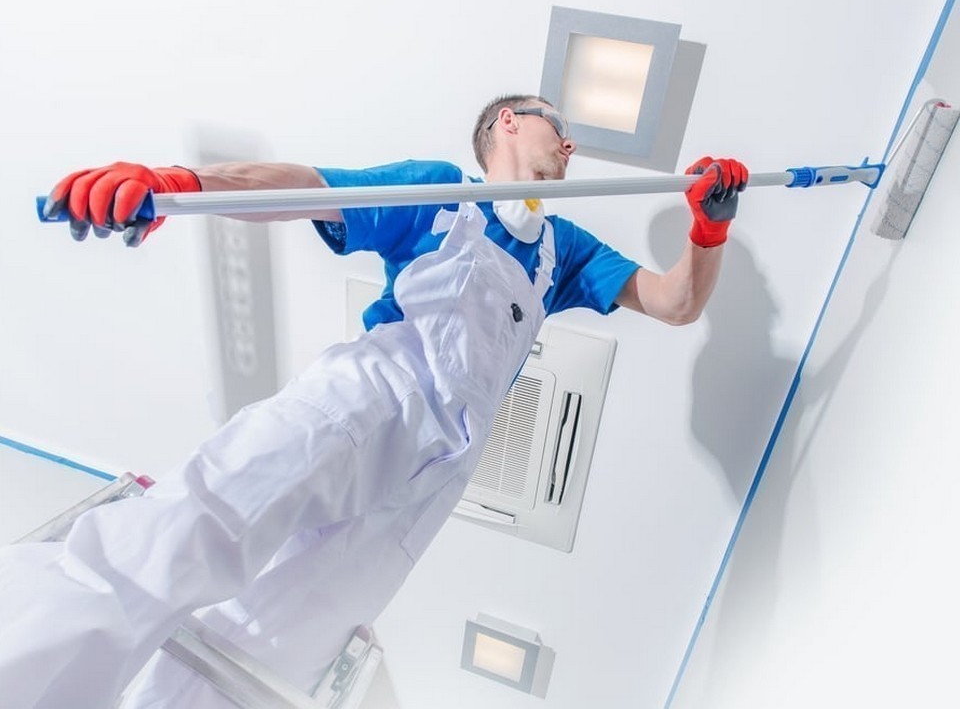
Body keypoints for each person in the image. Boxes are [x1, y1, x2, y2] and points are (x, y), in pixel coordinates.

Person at [0, 94, 748, 708]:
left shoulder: (566, 249)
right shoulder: (444, 192)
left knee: (271, 650)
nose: (571, 145)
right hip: (374, 395)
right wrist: (183, 185)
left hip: (434, 485)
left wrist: (709, 228)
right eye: (559, 126)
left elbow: (675, 302)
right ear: (510, 122)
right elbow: (309, 187)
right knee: (196, 528)